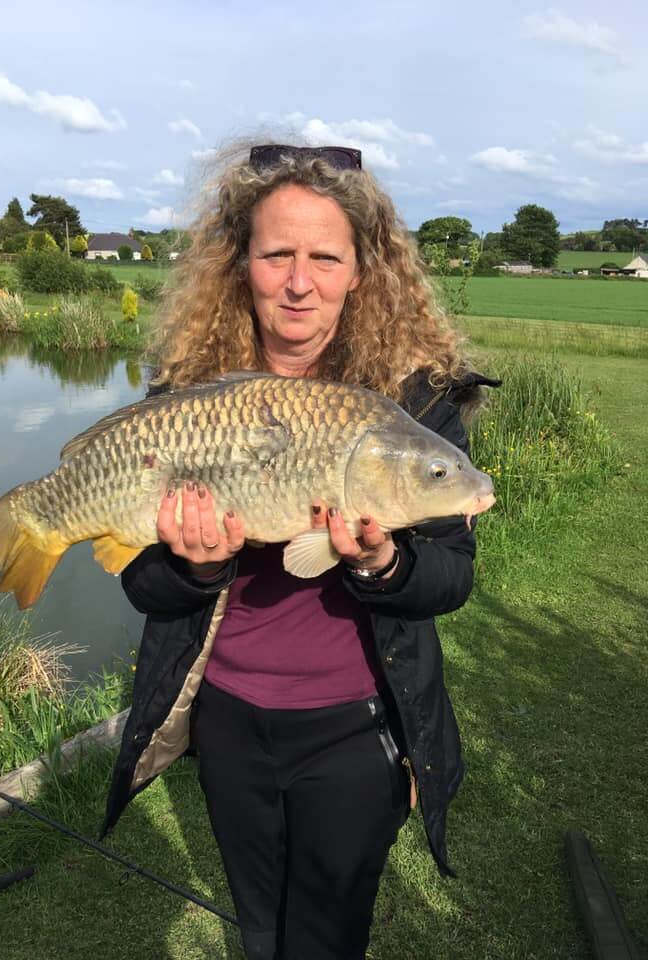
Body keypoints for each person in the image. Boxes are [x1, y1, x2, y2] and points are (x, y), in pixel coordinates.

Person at [101, 143, 498, 960]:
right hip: (230, 721)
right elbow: (146, 586)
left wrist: (383, 564)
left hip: (358, 727)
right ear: (241, 263)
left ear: (362, 270)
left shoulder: (414, 402)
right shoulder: (185, 399)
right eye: (277, 253)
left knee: (326, 931)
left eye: (324, 256)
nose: (298, 280)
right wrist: (195, 565)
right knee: (259, 926)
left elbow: (452, 576)